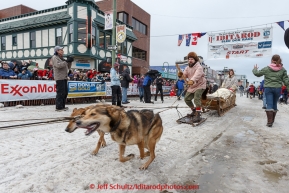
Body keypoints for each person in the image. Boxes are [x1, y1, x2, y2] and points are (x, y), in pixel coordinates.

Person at [253, 54, 289, 127]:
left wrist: (255, 69)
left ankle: (269, 122)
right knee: (274, 103)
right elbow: (286, 81)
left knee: (269, 104)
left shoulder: (267, 68)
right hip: (277, 88)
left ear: (272, 60)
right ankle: (272, 120)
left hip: (268, 88)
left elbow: (257, 74)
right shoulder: (283, 69)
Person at [178, 52, 206, 123]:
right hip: (192, 85)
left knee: (196, 98)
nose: (190, 60)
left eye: (192, 59)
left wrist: (192, 80)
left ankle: (198, 114)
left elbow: (197, 75)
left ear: (195, 60)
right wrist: (181, 75)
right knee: (187, 99)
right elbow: (184, 75)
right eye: (189, 59)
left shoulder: (199, 67)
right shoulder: (187, 67)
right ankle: (194, 111)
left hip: (200, 84)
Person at [52, 46, 73, 112]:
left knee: (65, 92)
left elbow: (68, 67)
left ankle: (62, 106)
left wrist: (70, 61)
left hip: (64, 77)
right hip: (59, 77)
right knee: (60, 92)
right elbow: (58, 65)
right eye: (61, 50)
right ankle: (58, 107)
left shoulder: (61, 58)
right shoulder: (55, 57)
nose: (62, 51)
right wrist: (66, 61)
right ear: (57, 51)